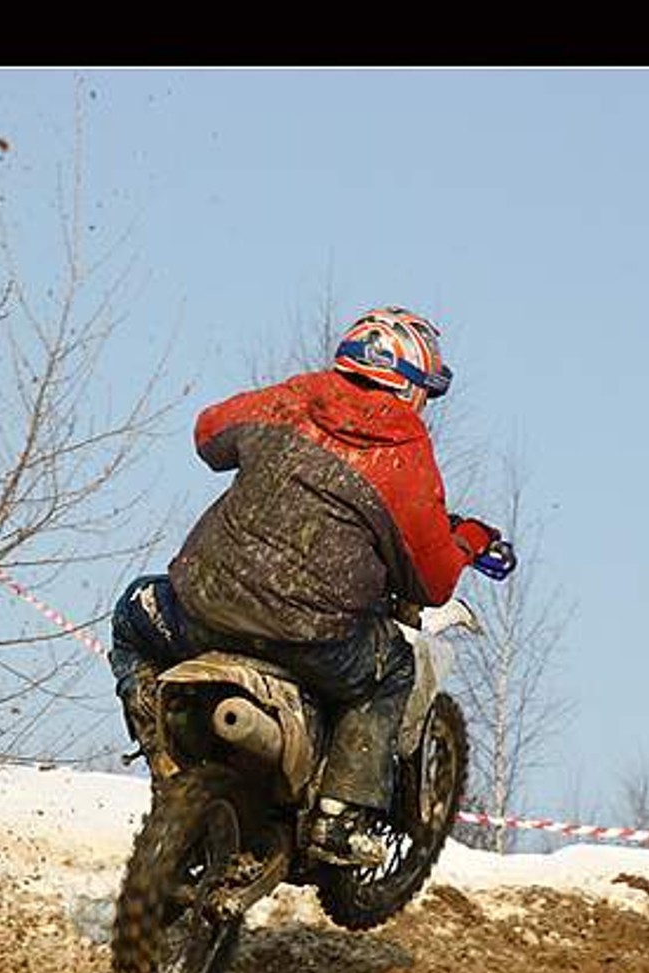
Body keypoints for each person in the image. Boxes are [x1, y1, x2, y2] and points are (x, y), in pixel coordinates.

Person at [108, 306, 515, 869]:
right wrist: (467, 541)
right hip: (316, 639)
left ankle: (158, 740)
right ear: (411, 386)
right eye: (426, 390)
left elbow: (208, 434)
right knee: (392, 669)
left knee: (132, 614)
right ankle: (338, 818)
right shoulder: (404, 453)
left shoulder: (294, 398)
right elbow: (433, 580)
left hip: (203, 607)